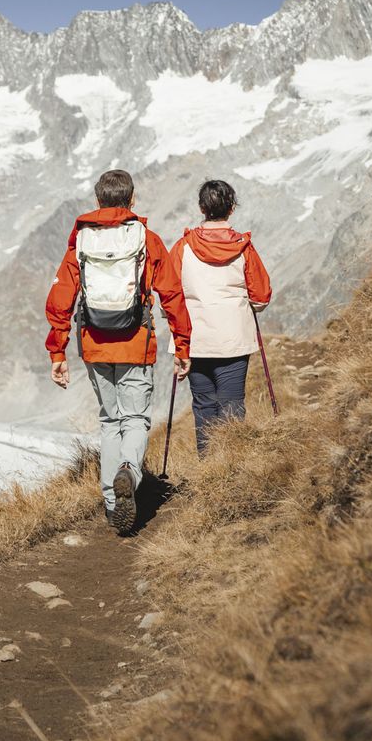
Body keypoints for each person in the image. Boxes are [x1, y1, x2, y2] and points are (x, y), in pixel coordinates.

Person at [45, 169, 191, 535]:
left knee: (110, 420)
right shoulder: (147, 239)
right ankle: (130, 470)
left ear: (97, 201)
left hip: (94, 343)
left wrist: (57, 352)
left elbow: (61, 300)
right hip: (136, 343)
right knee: (136, 419)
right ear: (132, 199)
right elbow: (171, 294)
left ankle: (112, 502)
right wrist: (182, 344)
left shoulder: (80, 241)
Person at [169, 179, 272, 455]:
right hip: (233, 339)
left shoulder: (182, 247)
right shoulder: (244, 248)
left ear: (202, 208)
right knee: (232, 403)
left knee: (204, 405)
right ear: (231, 209)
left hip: (195, 339)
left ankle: (208, 468)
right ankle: (232, 466)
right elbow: (261, 297)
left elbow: (169, 293)